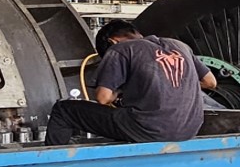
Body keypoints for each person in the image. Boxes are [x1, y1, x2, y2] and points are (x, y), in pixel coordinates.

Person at [46, 20, 216, 145]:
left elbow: (103, 98)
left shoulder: (120, 49)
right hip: (189, 129)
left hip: (149, 129)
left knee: (63, 110)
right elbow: (210, 82)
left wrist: (119, 92)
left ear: (112, 41)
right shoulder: (179, 45)